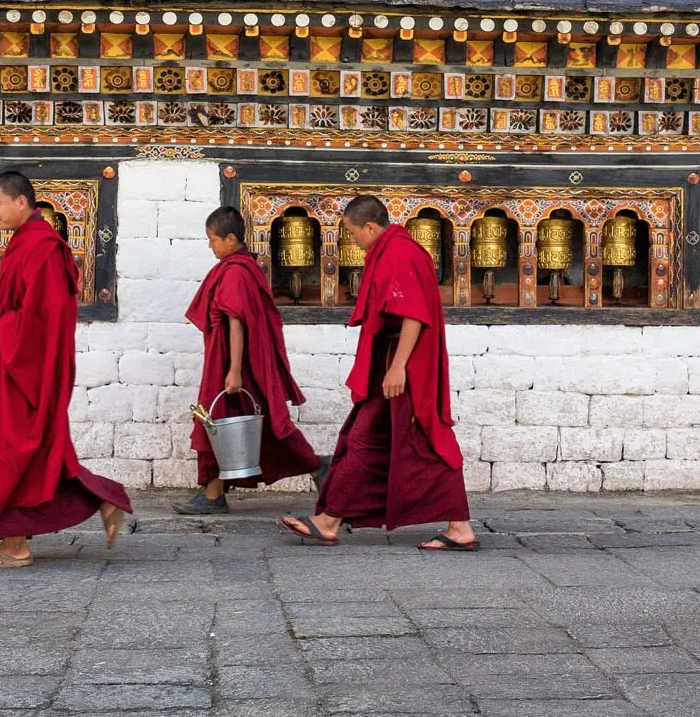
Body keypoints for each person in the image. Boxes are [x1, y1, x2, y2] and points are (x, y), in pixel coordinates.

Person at [0, 171, 132, 570]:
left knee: (11, 451)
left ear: (22, 202)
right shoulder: (24, 243)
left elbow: (45, 321)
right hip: (11, 360)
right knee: (27, 453)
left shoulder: (44, 248)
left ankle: (16, 545)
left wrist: (1, 346)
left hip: (28, 370)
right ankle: (102, 499)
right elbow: (18, 312)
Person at [280, 196, 479, 551]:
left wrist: (398, 367)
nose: (353, 240)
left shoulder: (399, 253)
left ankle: (329, 521)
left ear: (370, 227)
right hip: (391, 359)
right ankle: (331, 520)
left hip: (404, 363)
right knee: (375, 440)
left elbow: (414, 314)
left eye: (353, 232)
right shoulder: (395, 249)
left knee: (415, 437)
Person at [173, 206, 320, 515]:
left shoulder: (236, 272)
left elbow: (236, 322)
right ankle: (213, 494)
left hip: (228, 362)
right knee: (225, 422)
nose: (210, 246)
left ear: (230, 238)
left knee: (215, 421)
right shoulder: (240, 267)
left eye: (212, 240)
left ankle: (317, 465)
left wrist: (234, 371)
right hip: (226, 359)